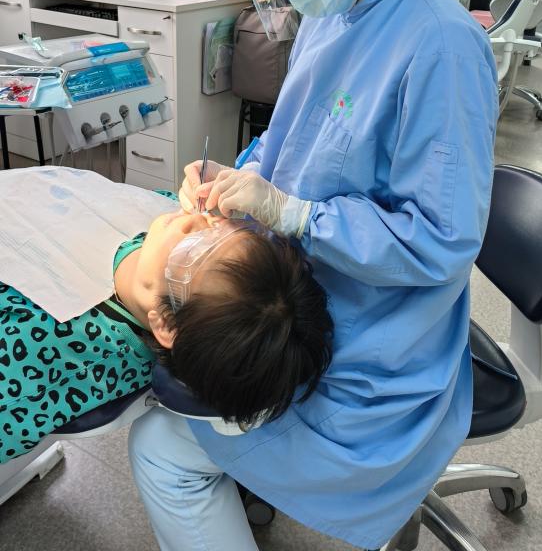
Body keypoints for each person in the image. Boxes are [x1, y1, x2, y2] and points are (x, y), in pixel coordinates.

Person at [128, 0, 500, 551]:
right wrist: (240, 177)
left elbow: (440, 243)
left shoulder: (440, 47)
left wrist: (294, 215)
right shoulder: (333, 8)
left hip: (373, 350)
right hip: (304, 299)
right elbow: (295, 137)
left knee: (159, 447)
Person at [0, 172, 332, 464]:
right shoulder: (165, 235)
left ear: (167, 323)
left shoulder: (56, 351)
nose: (195, 219)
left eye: (196, 247)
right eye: (222, 225)